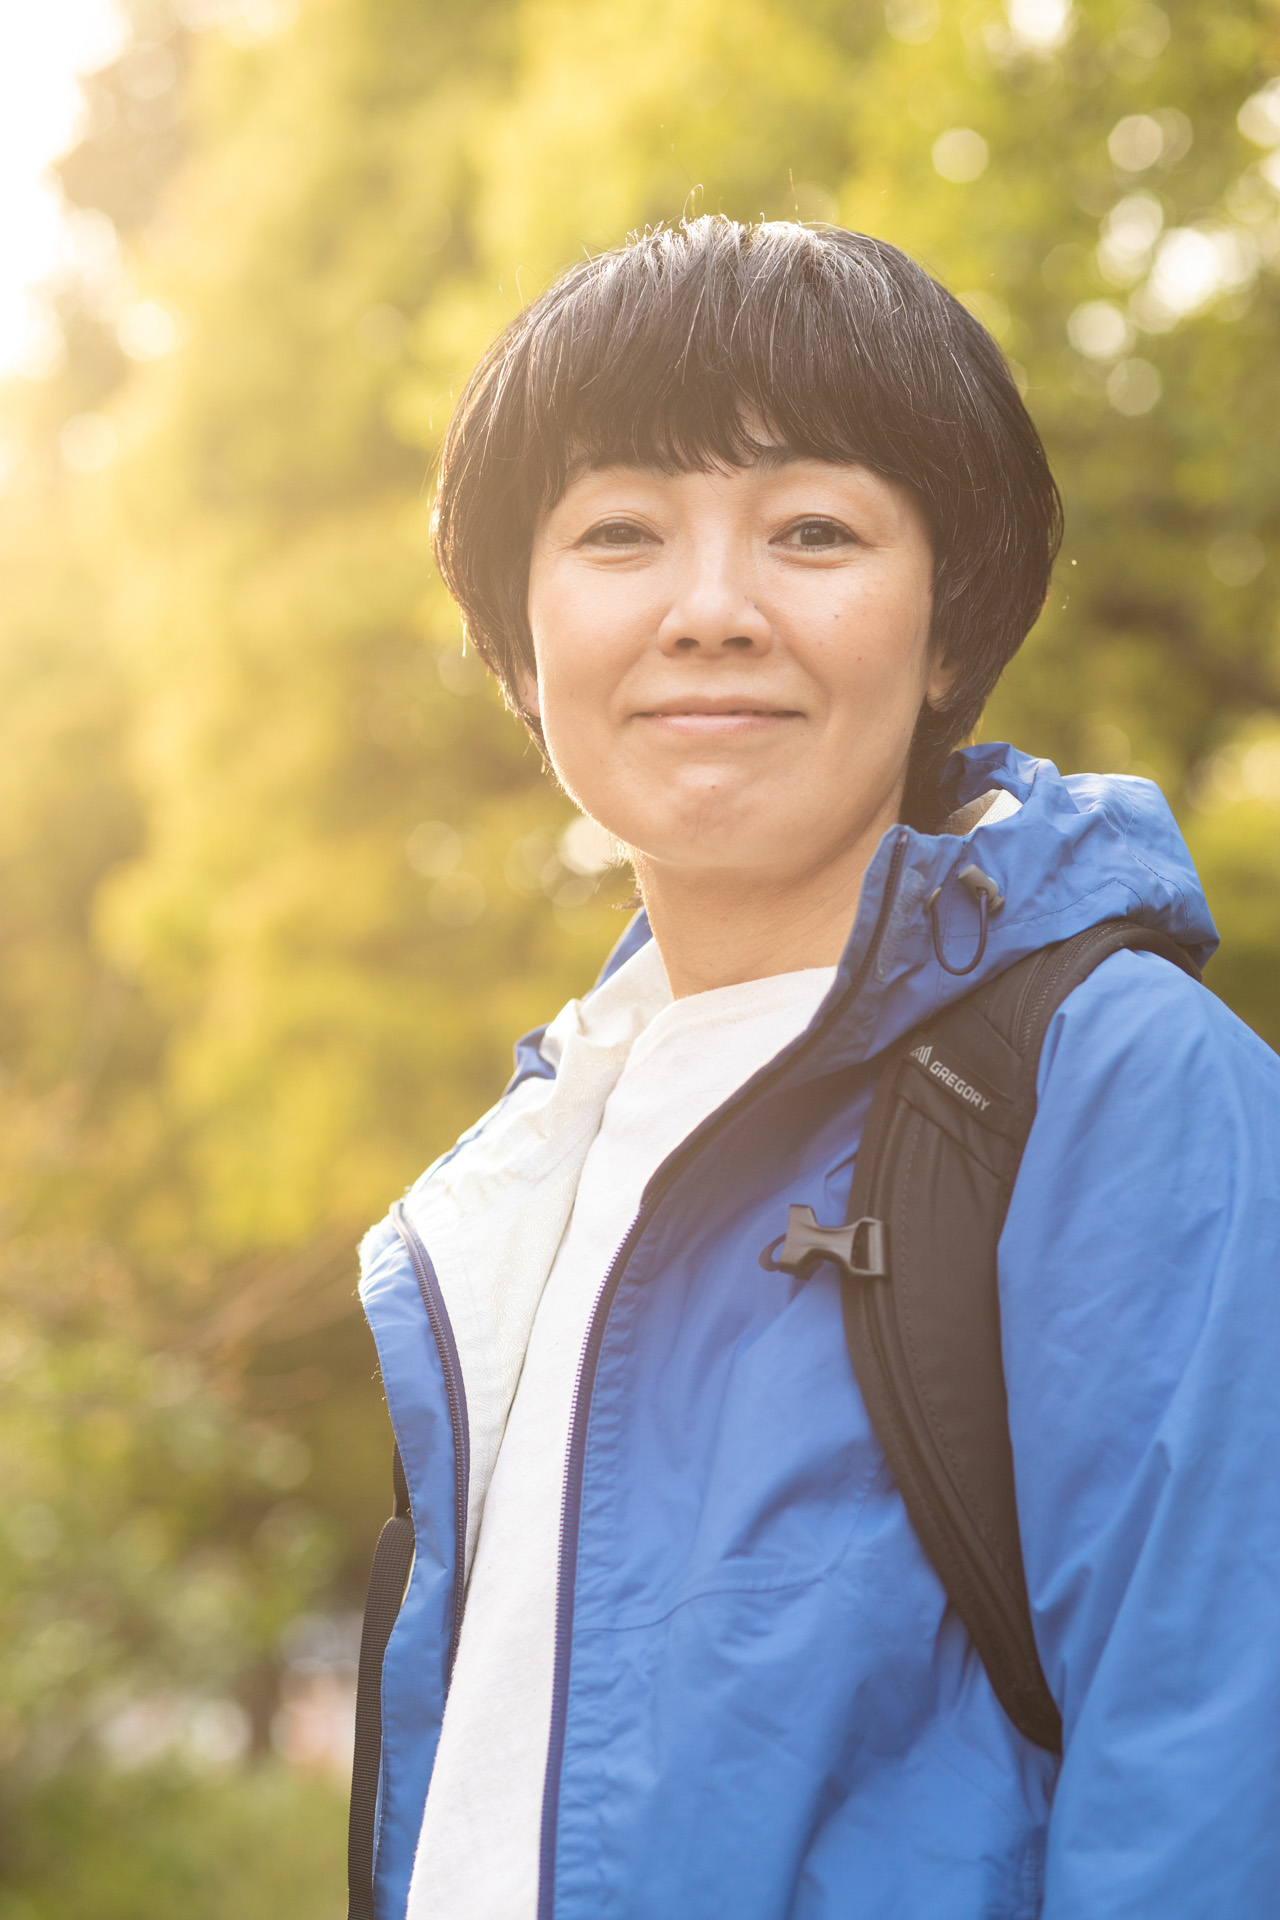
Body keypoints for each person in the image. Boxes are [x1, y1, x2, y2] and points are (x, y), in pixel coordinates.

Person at [354, 217, 1280, 1920]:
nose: (712, 612)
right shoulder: (525, 1169)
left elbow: (1216, 1793)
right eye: (621, 531)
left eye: (814, 530)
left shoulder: (1116, 1090)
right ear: (518, 639)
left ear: (945, 630)